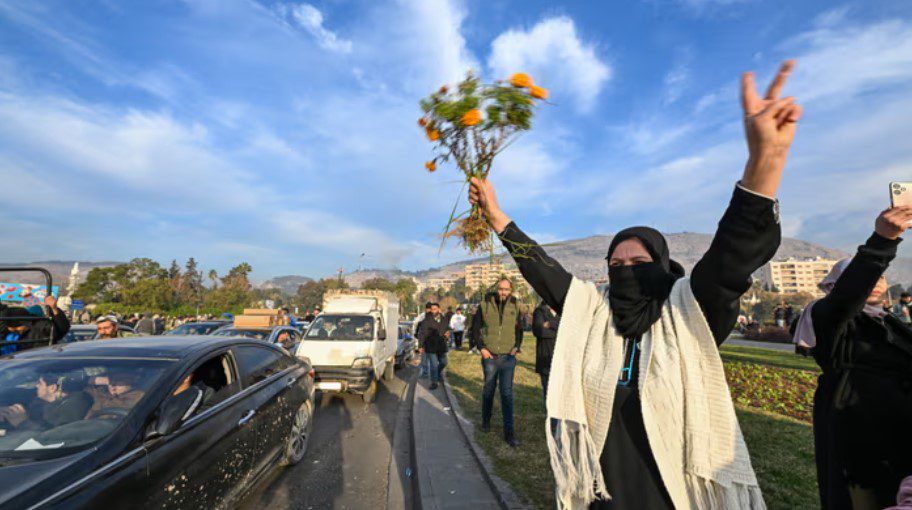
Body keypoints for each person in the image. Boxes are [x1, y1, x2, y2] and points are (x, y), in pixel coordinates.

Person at [468, 60, 802, 508]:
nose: (625, 270)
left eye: (638, 261)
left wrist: (765, 160)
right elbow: (544, 271)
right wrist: (497, 218)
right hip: (604, 483)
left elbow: (732, 255)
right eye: (615, 263)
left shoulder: (688, 308)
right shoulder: (594, 308)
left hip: (675, 483)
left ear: (662, 265)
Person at [791, 205, 912, 510]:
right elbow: (847, 298)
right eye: (869, 275)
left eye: (882, 276)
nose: (878, 280)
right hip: (861, 429)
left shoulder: (890, 320)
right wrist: (883, 242)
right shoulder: (827, 317)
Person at [469, 278, 524, 448]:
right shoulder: (485, 304)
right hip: (490, 357)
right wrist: (482, 348)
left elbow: (519, 329)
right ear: (496, 288)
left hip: (508, 357)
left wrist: (516, 347)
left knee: (506, 394)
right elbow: (475, 329)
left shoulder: (515, 305)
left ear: (511, 290)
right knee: (489, 390)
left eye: (506, 290)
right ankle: (486, 421)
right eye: (501, 289)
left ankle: (509, 433)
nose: (503, 293)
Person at [0, 372, 93, 430]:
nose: (36, 386)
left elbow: (55, 436)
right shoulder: (40, 399)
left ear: (52, 388)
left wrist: (22, 422)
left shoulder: (75, 404)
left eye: (40, 383)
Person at [0, 295, 71, 354]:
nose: (11, 329)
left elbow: (61, 329)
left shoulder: (40, 328)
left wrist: (54, 308)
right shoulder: (8, 334)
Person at [417, 303, 449, 390]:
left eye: (435, 309)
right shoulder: (426, 320)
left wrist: (447, 334)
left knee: (444, 362)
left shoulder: (444, 319)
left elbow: (447, 329)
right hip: (430, 346)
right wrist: (420, 346)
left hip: (441, 345)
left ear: (439, 309)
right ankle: (434, 382)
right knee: (434, 365)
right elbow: (422, 334)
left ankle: (437, 373)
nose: (433, 311)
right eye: (432, 309)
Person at [532, 301, 560, 400]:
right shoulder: (539, 311)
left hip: (561, 357)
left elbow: (570, 328)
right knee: (548, 390)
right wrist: (560, 331)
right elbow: (539, 332)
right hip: (545, 354)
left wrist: (550, 324)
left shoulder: (563, 310)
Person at [413, 302, 433, 379]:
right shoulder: (434, 316)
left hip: (426, 340)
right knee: (428, 358)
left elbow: (416, 323)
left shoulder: (422, 316)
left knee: (425, 358)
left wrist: (416, 333)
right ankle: (427, 373)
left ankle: (426, 373)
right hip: (428, 340)